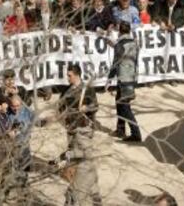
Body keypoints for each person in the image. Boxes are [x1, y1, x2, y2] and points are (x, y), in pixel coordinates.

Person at [58, 63, 101, 206]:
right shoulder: (67, 90)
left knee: (84, 160)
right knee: (73, 159)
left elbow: (95, 105)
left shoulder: (87, 89)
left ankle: (89, 195)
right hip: (70, 129)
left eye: (69, 75)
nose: (67, 78)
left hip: (83, 131)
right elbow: (60, 106)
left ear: (77, 75)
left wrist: (86, 107)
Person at [106, 21, 142, 142]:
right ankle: (120, 129)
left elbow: (116, 63)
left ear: (120, 31)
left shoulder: (119, 45)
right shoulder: (134, 43)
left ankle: (136, 133)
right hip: (131, 77)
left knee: (125, 106)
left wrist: (109, 79)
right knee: (119, 102)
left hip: (123, 78)